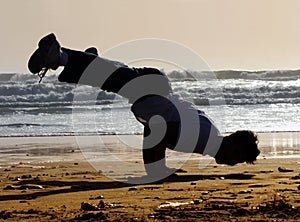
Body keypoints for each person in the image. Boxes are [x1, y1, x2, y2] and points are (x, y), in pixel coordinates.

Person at [28, 33, 260, 177]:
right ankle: (61, 57)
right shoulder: (204, 138)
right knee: (111, 77)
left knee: (111, 76)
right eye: (237, 157)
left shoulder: (208, 134)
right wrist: (156, 169)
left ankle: (85, 58)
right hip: (152, 91)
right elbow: (159, 128)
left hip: (154, 89)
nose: (232, 163)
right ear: (234, 143)